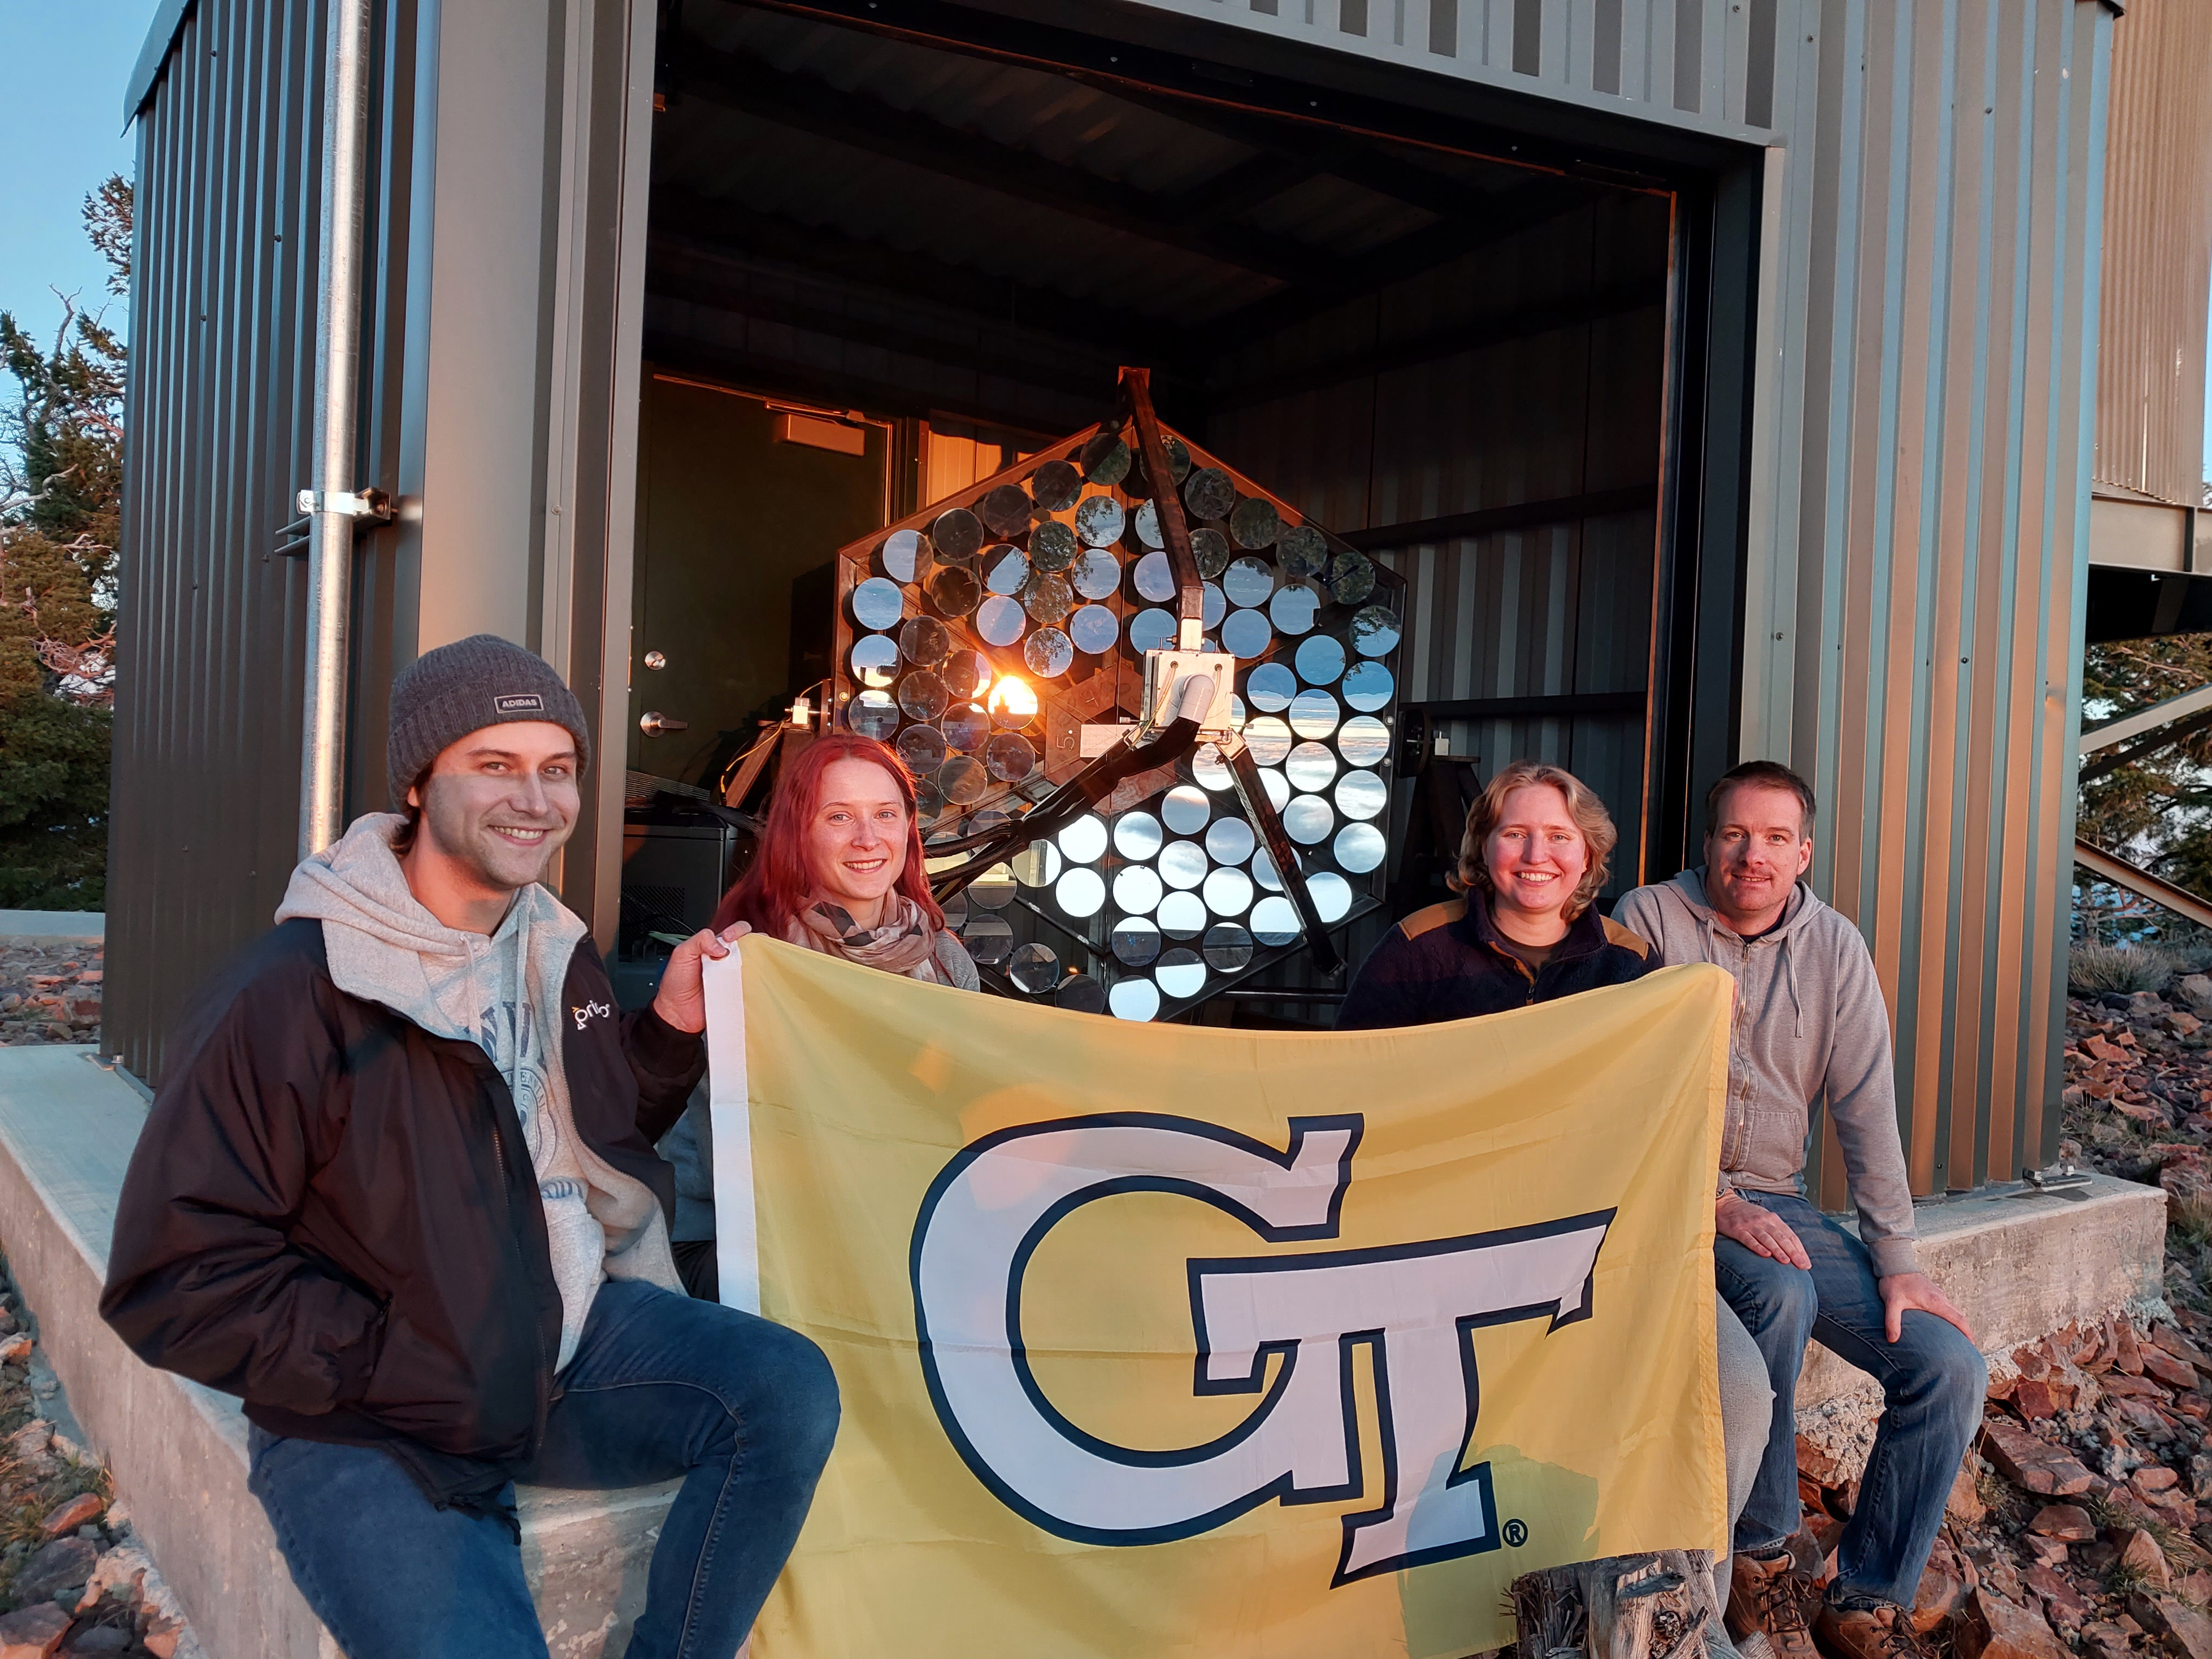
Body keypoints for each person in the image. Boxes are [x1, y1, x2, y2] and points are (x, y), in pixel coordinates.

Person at [99, 635, 840, 1659]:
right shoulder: (293, 991)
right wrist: (410, 1364)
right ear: (418, 780)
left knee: (786, 1389)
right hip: (373, 1424)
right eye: (495, 765)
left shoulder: (553, 947)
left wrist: (668, 1032)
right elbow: (177, 1278)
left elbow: (590, 1143)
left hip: (568, 1347)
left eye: (559, 768)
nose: (535, 799)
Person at [1336, 761, 1775, 1633]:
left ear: (1588, 857)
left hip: (1603, 1248)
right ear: (1482, 850)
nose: (1536, 855)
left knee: (1738, 1389)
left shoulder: (1633, 965)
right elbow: (1344, 1097)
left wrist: (1718, 1200)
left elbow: (1673, 1113)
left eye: (1559, 837)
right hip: (1449, 1252)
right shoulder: (1419, 950)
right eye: (1514, 833)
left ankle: (1684, 1624)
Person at [1615, 762, 1985, 1659]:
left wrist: (1899, 1258)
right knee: (1781, 1293)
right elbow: (1621, 1086)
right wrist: (1713, 1202)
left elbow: (1867, 1113)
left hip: (1779, 1202)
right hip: (1670, 1193)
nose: (1754, 855)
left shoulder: (1837, 948)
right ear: (1708, 845)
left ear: (1803, 852)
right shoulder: (1649, 920)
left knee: (1948, 1365)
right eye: (1736, 835)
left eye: (1776, 838)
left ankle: (1863, 1601)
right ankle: (1761, 1554)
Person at [659, 732, 978, 1300]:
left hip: (891, 1231)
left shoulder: (946, 960)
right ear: (798, 832)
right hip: (742, 1240)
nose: (867, 838)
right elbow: (741, 1152)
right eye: (838, 817)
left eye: (885, 813)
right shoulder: (752, 958)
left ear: (909, 826)